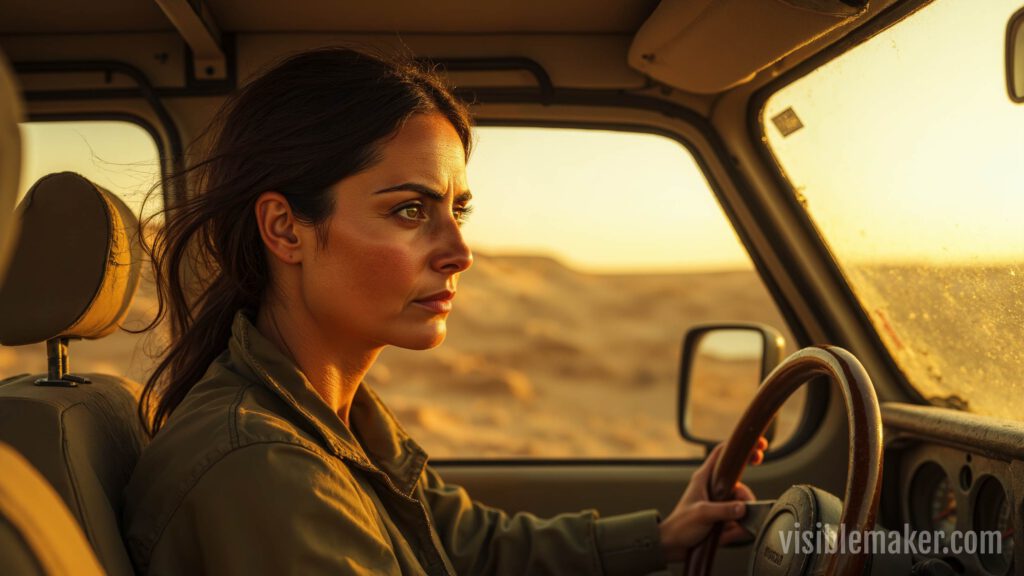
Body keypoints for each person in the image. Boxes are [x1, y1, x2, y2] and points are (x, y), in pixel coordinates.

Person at [122, 47, 766, 576]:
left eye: (457, 210)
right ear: (285, 230)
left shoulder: (332, 417)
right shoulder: (262, 465)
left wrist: (666, 536)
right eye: (409, 210)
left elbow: (466, 544)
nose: (460, 252)